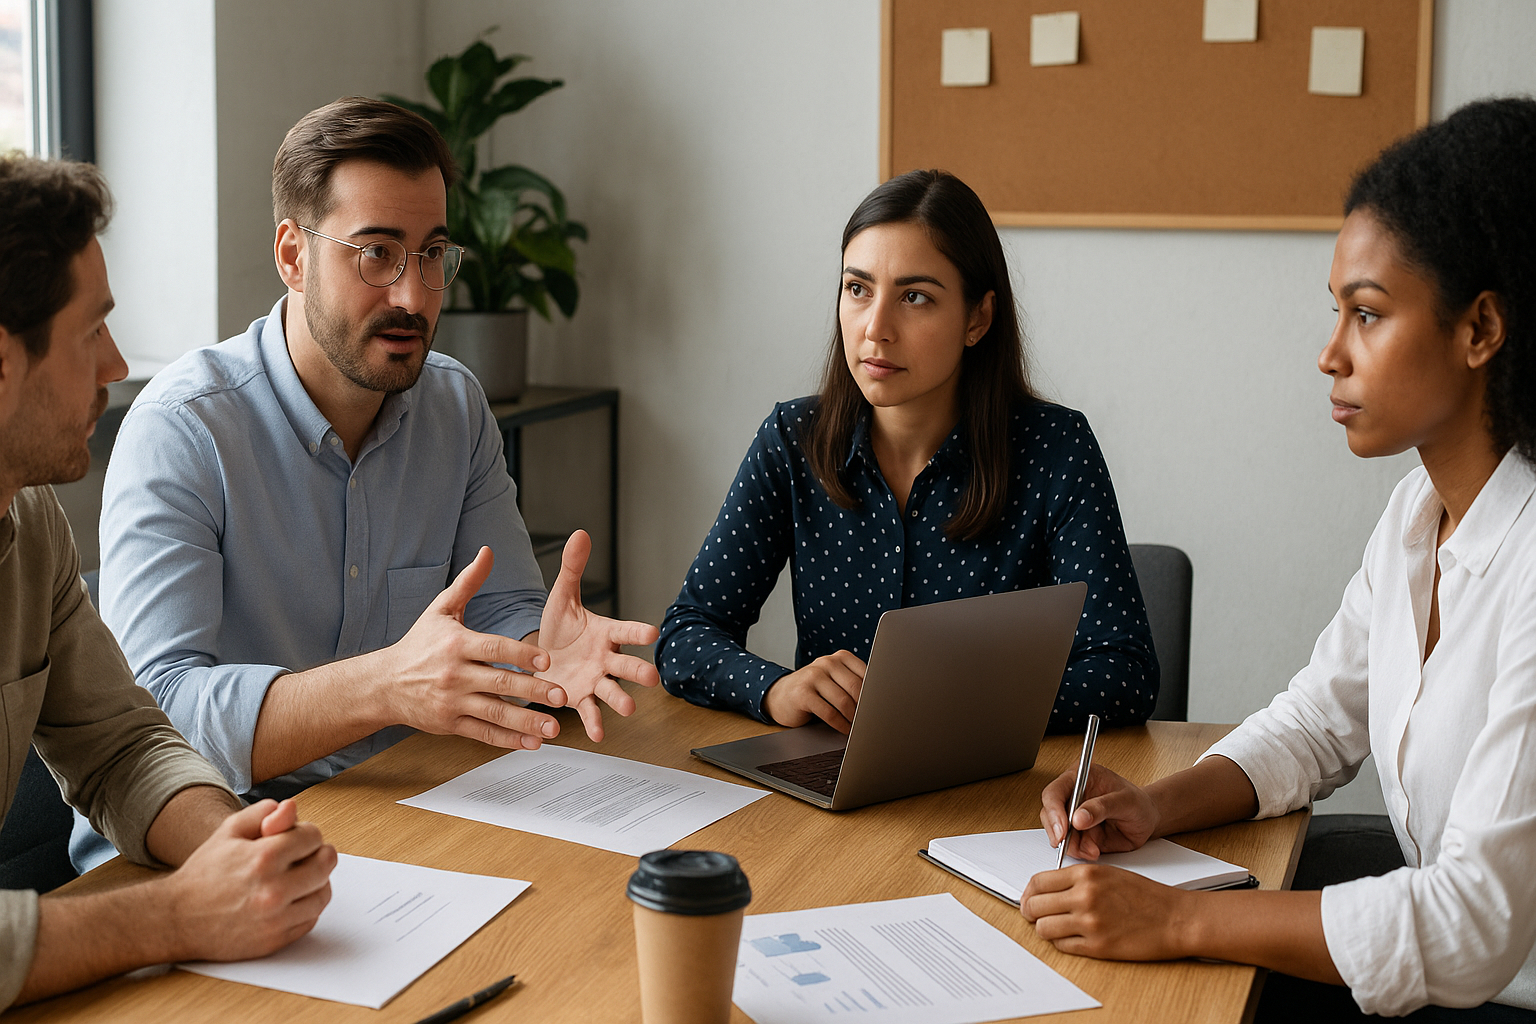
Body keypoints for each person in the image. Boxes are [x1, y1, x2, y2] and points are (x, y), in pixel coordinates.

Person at [1021, 97, 1536, 1021]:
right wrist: (1156, 804)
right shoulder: (1420, 514)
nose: (1330, 354)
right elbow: (1316, 725)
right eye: (1337, 312)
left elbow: (1470, 928)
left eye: (1368, 315)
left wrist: (1175, 921)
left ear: (1480, 331)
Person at [69, 97, 660, 872]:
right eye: (377, 254)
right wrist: (385, 687)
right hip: (199, 849)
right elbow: (157, 714)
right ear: (292, 255)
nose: (414, 297)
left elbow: (504, 611)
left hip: (401, 816)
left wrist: (534, 653)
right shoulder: (184, 429)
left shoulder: (455, 405)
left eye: (431, 255)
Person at [0, 154, 336, 1009]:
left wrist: (235, 845)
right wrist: (176, 916)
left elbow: (119, 746)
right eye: (91, 333)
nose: (116, 366)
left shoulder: (30, 520)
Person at [657, 170, 1158, 733]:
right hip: (830, 788)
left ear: (978, 318)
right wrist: (774, 689)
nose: (876, 328)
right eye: (858, 288)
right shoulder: (794, 438)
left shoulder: (1055, 449)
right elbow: (688, 634)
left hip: (991, 791)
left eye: (915, 297)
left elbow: (1123, 673)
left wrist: (948, 705)